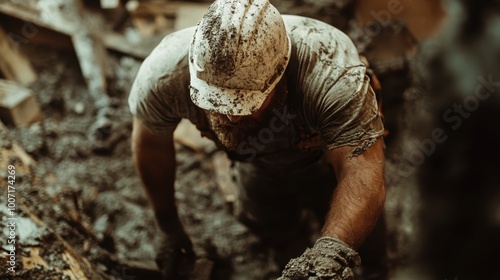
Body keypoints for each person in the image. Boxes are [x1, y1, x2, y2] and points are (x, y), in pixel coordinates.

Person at [128, 0, 386, 278]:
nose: (230, 116)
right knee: (270, 224)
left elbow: (361, 169)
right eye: (214, 100)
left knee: (363, 239)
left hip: (325, 156)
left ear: (281, 77)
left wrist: (332, 253)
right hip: (256, 161)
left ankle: (377, 269)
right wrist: (168, 226)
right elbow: (152, 145)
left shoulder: (332, 73)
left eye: (245, 103)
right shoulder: (164, 75)